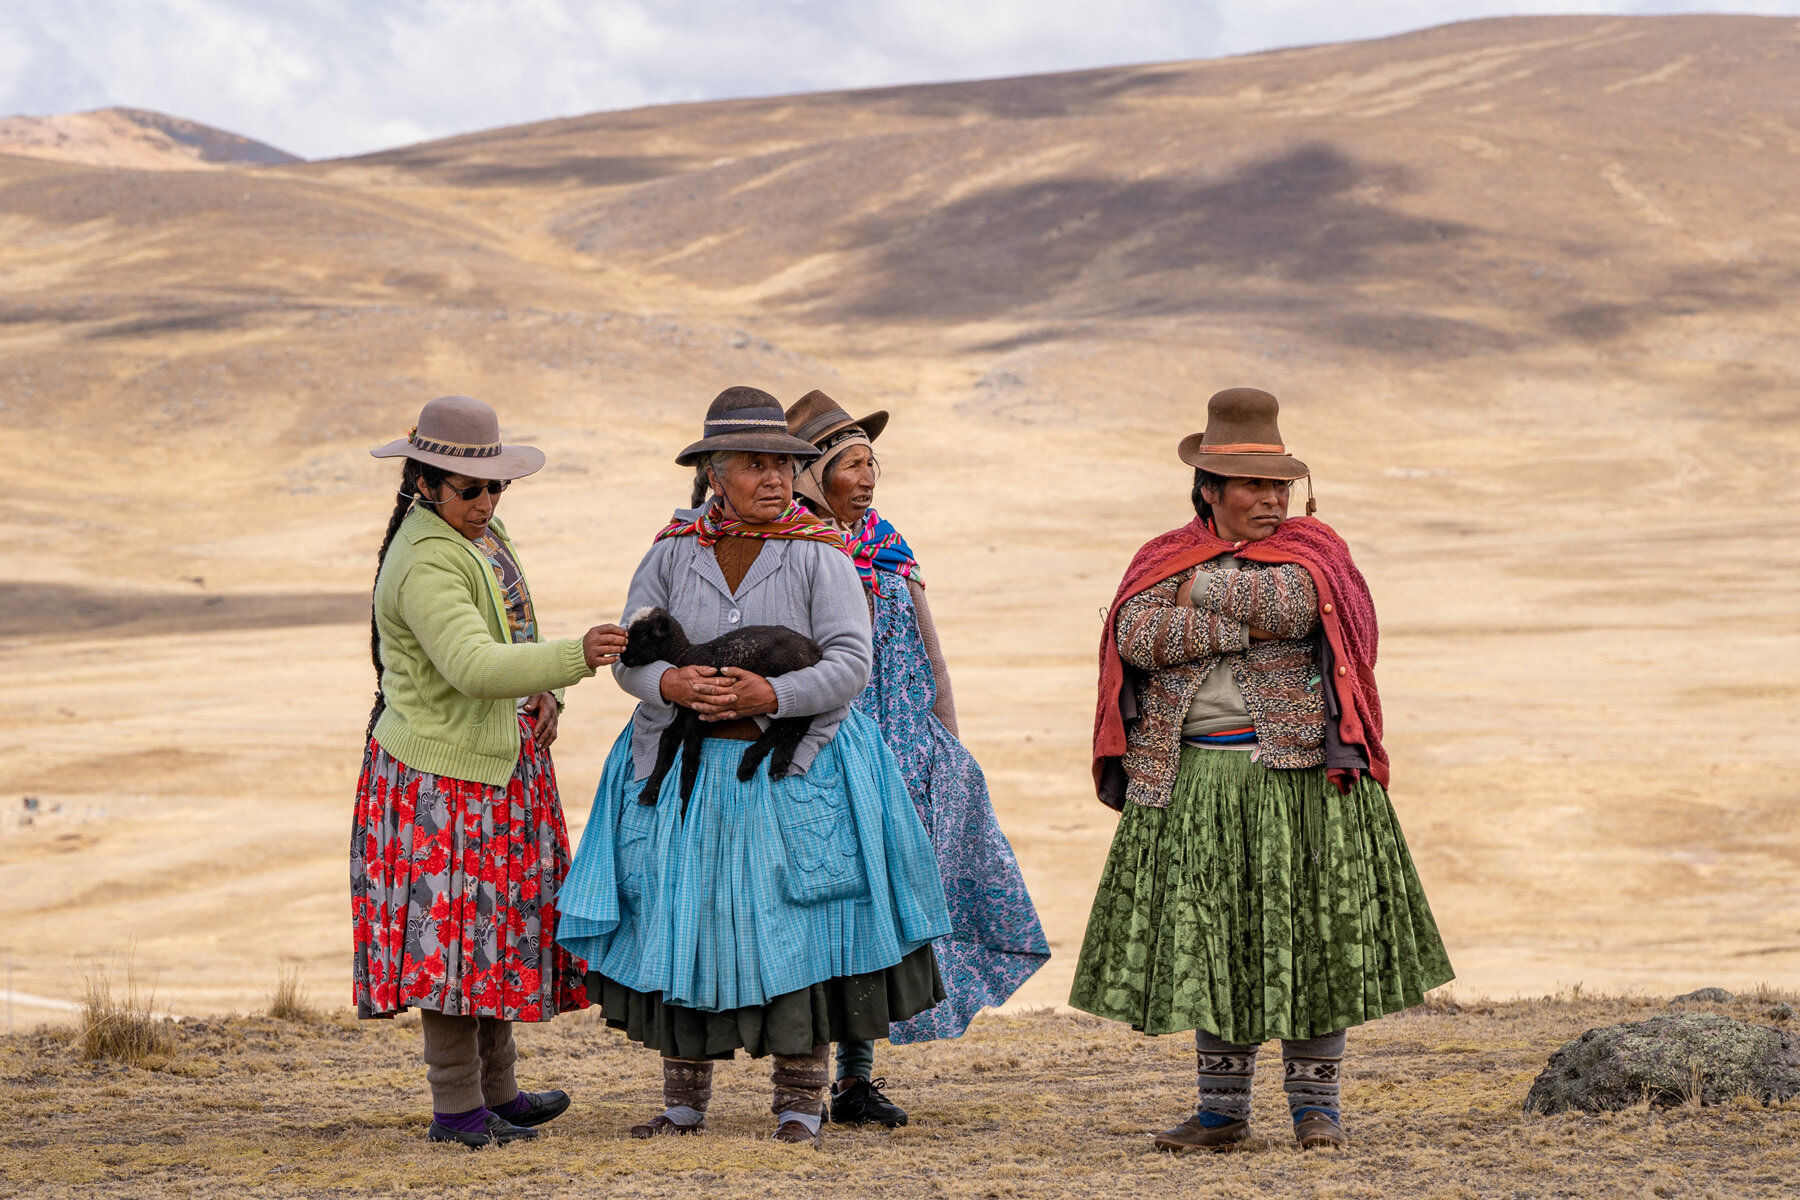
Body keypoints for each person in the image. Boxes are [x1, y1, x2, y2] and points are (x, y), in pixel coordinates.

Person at [557, 386, 951, 1147]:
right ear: (713, 472)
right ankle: (682, 1105)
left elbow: (851, 664)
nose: (774, 478)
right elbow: (634, 656)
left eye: (783, 464)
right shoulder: (669, 552)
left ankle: (801, 1104)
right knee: (683, 919)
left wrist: (772, 690)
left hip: (796, 766)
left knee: (802, 924)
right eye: (754, 465)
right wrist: (666, 682)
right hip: (687, 771)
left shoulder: (820, 552)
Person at [1069, 387, 1453, 1153]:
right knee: (1218, 940)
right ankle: (1221, 1115)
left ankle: (1317, 1112)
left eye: (1280, 485)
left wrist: (1199, 592)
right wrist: (1231, 609)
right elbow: (1135, 634)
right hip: (1195, 779)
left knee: (1307, 936)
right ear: (1208, 490)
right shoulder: (1158, 557)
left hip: (1303, 775)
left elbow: (1298, 605)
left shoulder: (1316, 554)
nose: (1272, 500)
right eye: (1252, 486)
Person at [353, 395, 629, 1148]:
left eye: (495, 486)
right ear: (425, 483)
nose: (486, 500)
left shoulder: (478, 538)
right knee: (449, 956)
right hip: (442, 788)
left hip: (489, 776)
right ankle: (458, 1113)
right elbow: (474, 666)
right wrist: (581, 657)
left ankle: (499, 1094)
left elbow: (510, 640)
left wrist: (549, 692)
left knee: (488, 944)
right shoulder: (425, 559)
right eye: (470, 488)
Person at [785, 390, 1050, 1127]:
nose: (867, 478)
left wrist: (948, 742)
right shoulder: (793, 553)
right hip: (829, 754)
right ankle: (802, 1081)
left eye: (873, 464)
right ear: (812, 475)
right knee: (829, 914)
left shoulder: (887, 545)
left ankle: (857, 1079)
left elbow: (931, 655)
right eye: (851, 464)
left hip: (906, 751)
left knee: (885, 917)